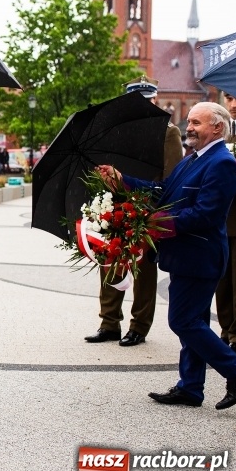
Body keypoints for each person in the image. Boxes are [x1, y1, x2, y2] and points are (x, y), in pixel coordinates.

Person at [97, 102, 236, 417]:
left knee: (183, 321)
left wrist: (157, 224)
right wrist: (123, 180)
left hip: (201, 257)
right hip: (185, 258)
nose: (189, 127)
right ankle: (191, 387)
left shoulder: (222, 163)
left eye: (196, 122)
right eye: (188, 121)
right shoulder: (193, 160)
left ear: (217, 127)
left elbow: (207, 214)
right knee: (196, 321)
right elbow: (163, 192)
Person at [85, 76, 184, 346]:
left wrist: (155, 211)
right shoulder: (115, 131)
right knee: (108, 263)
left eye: (147, 101)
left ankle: (139, 326)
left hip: (146, 208)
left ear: (155, 101)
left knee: (142, 271)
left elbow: (172, 178)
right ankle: (109, 323)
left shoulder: (169, 132)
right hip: (114, 204)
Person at [216, 92, 236, 356]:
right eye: (228, 98)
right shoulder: (223, 130)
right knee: (222, 281)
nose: (233, 105)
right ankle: (225, 331)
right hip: (221, 218)